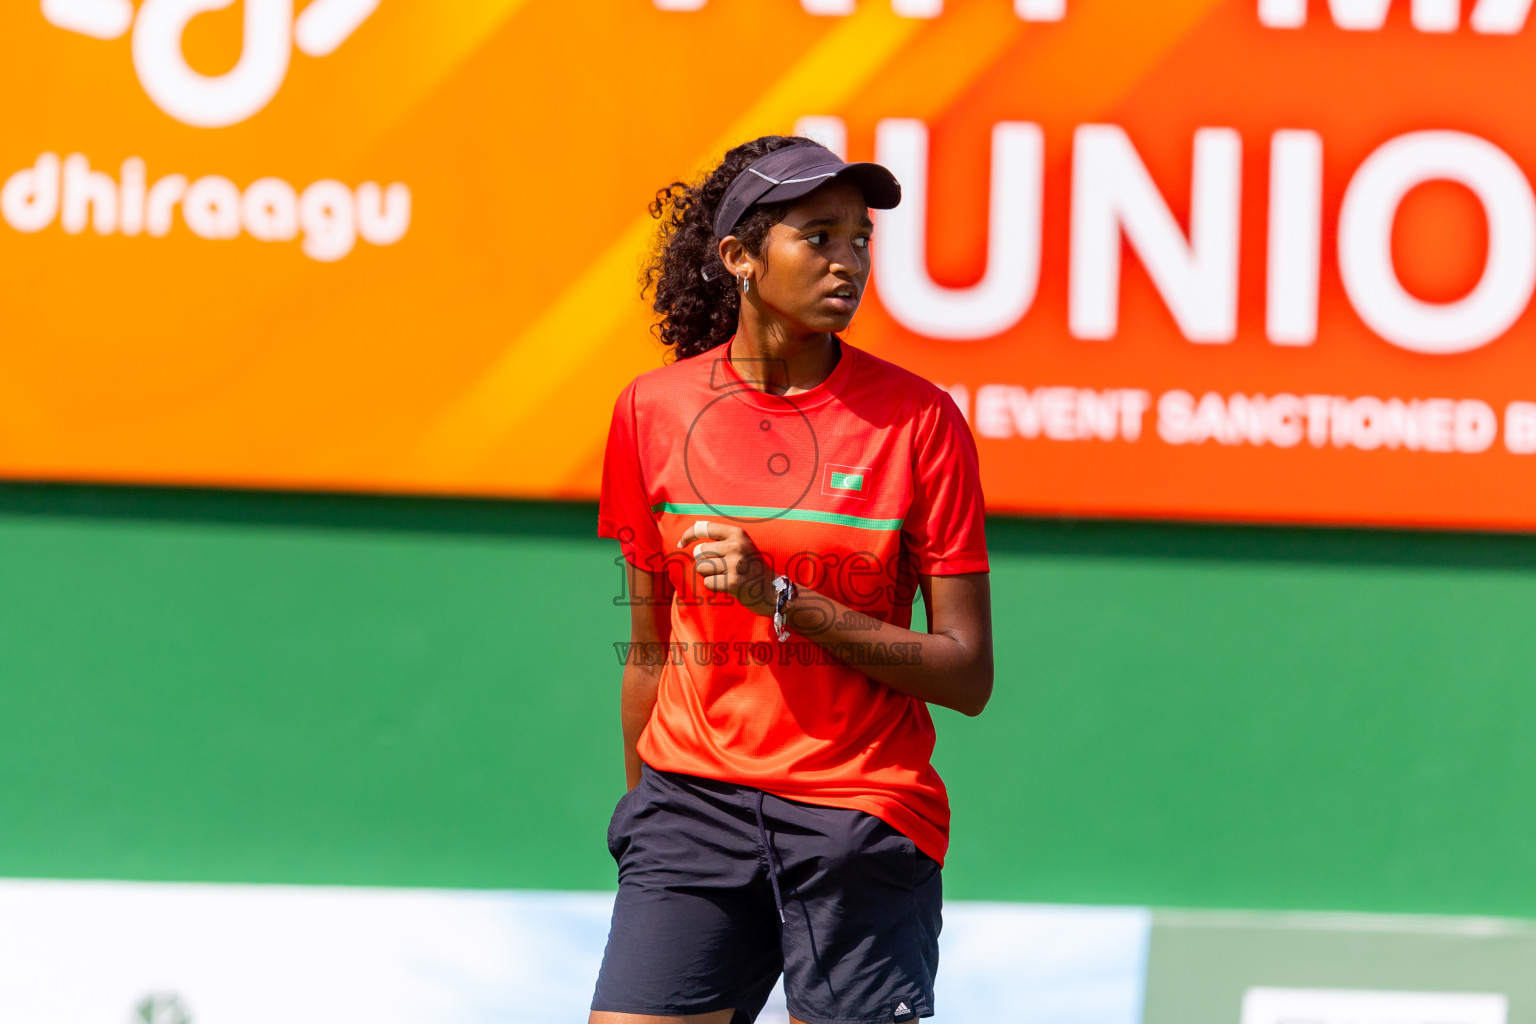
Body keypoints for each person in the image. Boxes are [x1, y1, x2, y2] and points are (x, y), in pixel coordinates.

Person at [591, 134, 994, 1024]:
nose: (848, 260)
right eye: (819, 237)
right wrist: (643, 826)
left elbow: (967, 674)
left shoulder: (921, 422)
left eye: (860, 240)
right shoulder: (650, 413)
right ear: (740, 258)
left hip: (859, 818)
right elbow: (649, 654)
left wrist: (783, 599)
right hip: (690, 807)